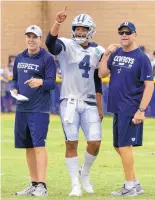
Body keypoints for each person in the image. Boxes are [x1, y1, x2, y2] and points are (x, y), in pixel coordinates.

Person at [46, 7, 105, 196]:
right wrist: (57, 23)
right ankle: (75, 184)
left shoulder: (98, 50)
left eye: (83, 29)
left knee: (95, 142)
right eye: (77, 28)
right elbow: (50, 44)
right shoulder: (65, 45)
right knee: (71, 142)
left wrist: (100, 106)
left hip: (89, 102)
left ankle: (84, 174)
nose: (80, 32)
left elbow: (97, 81)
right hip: (69, 101)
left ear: (90, 30)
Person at [99, 21, 154, 197]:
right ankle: (135, 183)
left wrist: (141, 110)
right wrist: (106, 54)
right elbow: (102, 74)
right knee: (118, 146)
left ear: (134, 34)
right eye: (121, 32)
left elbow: (149, 86)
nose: (124, 35)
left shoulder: (141, 57)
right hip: (117, 107)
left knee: (124, 146)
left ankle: (129, 186)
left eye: (127, 32)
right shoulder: (116, 54)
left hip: (130, 108)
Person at [11, 25, 56, 197]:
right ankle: (33, 183)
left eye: (34, 37)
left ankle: (42, 186)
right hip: (22, 108)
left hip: (39, 110)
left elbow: (52, 83)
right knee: (27, 147)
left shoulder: (47, 58)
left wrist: (40, 82)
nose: (31, 39)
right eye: (28, 36)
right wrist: (14, 89)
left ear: (40, 39)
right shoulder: (20, 57)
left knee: (39, 145)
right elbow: (15, 79)